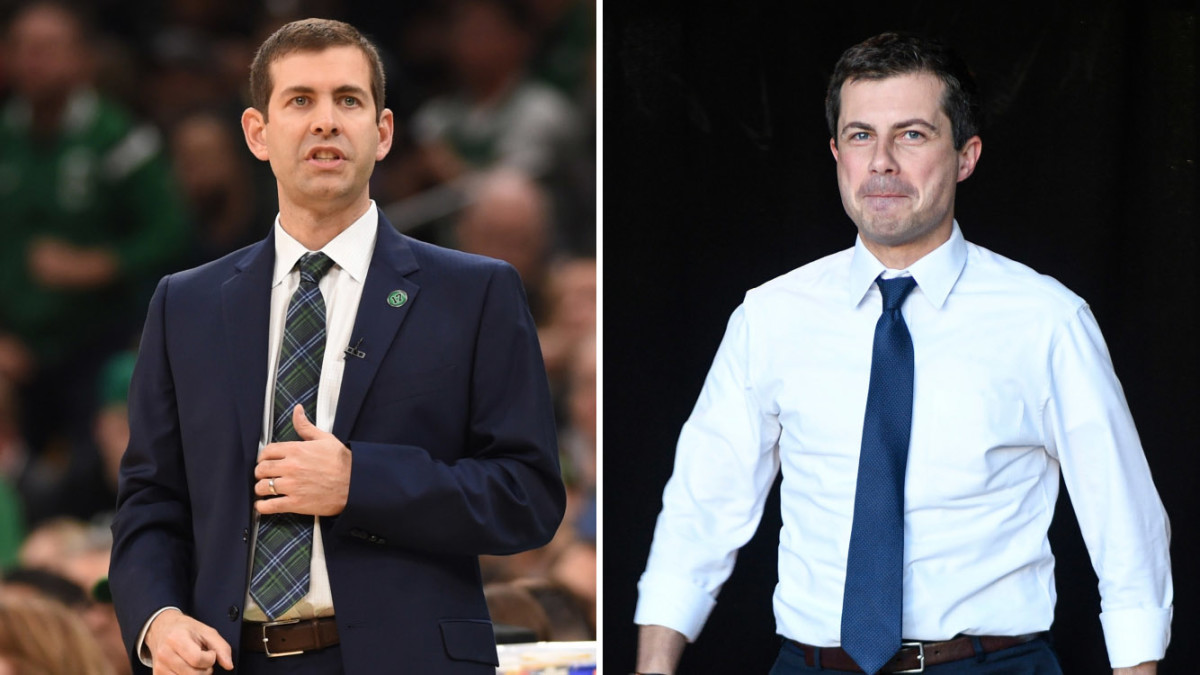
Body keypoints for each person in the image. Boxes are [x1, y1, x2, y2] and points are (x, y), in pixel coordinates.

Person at [633, 33, 1171, 675]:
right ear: (836, 153)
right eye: (861, 136)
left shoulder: (1046, 320)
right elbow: (701, 510)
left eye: (912, 135)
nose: (881, 162)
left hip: (990, 666)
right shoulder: (771, 316)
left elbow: (1126, 530)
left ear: (966, 155)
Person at [109, 17, 565, 675]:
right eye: (300, 100)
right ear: (256, 134)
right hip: (230, 661)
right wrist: (158, 618)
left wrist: (362, 480)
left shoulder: (476, 293)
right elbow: (151, 501)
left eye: (347, 100)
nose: (326, 121)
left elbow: (526, 496)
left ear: (381, 134)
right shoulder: (186, 303)